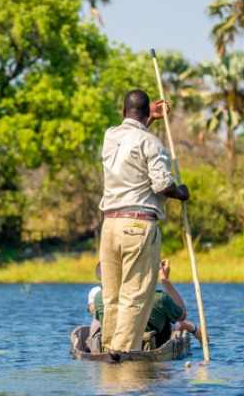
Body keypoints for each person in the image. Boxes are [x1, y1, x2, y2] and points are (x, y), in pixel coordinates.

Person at [99, 90, 190, 352]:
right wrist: (181, 192)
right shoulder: (151, 143)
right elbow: (163, 185)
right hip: (138, 226)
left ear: (122, 111)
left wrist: (148, 116)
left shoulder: (110, 137)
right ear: (145, 111)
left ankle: (108, 353)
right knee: (134, 297)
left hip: (110, 225)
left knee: (112, 296)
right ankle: (123, 356)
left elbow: (131, 139)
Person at [94, 259, 207, 347]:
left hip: (113, 350)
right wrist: (165, 280)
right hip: (150, 355)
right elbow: (181, 314)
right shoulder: (159, 299)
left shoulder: (100, 297)